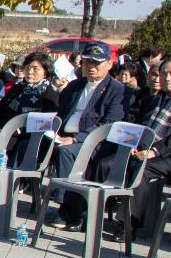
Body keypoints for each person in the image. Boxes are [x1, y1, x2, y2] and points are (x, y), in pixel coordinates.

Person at [49, 43, 128, 231]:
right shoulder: (76, 85)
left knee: (66, 152)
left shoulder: (116, 89)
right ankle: (8, 197)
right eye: (87, 62)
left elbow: (108, 124)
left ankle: (68, 210)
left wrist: (76, 139)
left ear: (109, 64)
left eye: (96, 63)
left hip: (96, 141)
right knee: (32, 143)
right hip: (66, 135)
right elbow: (62, 112)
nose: (91, 67)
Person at [0, 52, 59, 158]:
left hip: (23, 135)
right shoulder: (17, 88)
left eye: (35, 69)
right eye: (27, 67)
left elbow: (45, 121)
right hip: (1, 130)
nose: (30, 71)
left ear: (45, 72)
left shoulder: (49, 93)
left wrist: (13, 130)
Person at [130, 58, 171, 230]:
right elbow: (138, 125)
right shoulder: (154, 99)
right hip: (145, 149)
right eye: (164, 74)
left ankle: (129, 224)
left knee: (142, 169)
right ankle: (88, 213)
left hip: (167, 155)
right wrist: (131, 143)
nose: (167, 78)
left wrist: (154, 151)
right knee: (107, 162)